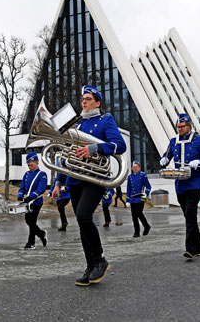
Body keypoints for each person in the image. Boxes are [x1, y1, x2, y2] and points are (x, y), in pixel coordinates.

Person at [52, 85, 126, 287]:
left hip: (95, 179)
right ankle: (90, 266)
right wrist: (59, 181)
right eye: (82, 98)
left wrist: (95, 148)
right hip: (75, 179)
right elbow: (66, 155)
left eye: (88, 98)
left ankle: (100, 259)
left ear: (97, 102)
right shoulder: (77, 125)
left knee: (84, 216)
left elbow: (120, 145)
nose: (83, 101)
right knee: (82, 223)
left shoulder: (105, 120)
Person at [160, 113, 200, 259]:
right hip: (180, 184)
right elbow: (167, 155)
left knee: (190, 213)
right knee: (189, 216)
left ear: (189, 125)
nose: (180, 129)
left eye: (182, 126)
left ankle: (190, 249)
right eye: (178, 127)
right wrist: (164, 160)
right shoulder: (173, 141)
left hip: (196, 183)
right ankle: (198, 248)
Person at [18, 152, 48, 250]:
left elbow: (41, 189)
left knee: (32, 221)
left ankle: (31, 243)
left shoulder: (42, 174)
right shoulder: (26, 174)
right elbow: (22, 187)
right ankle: (41, 234)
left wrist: (30, 197)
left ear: (37, 162)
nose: (30, 167)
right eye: (28, 165)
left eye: (31, 165)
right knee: (28, 221)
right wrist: (20, 195)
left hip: (36, 202)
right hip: (27, 202)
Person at [126, 161, 152, 237]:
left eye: (137, 167)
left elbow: (148, 187)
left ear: (139, 167)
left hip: (141, 197)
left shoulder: (143, 175)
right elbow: (128, 189)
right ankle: (136, 232)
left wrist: (146, 194)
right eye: (134, 167)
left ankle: (146, 226)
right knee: (134, 216)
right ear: (131, 168)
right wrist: (127, 200)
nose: (135, 168)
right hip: (132, 198)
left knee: (139, 212)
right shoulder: (130, 177)